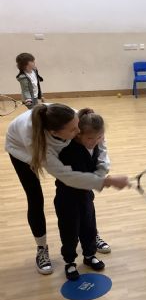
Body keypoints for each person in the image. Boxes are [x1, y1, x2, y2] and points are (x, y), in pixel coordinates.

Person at [5, 103, 130, 275]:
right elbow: (67, 176)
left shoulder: (75, 118)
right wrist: (105, 181)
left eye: (77, 125)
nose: (79, 131)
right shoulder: (36, 143)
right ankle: (42, 249)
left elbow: (99, 141)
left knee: (86, 201)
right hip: (20, 150)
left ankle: (90, 236)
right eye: (73, 130)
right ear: (55, 133)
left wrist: (101, 172)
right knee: (35, 198)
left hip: (54, 136)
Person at [55, 108, 109, 280]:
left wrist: (101, 175)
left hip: (85, 197)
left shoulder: (95, 146)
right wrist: (106, 181)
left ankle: (89, 255)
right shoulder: (70, 151)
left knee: (89, 227)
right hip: (67, 199)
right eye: (90, 138)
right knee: (69, 232)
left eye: (99, 137)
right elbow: (80, 179)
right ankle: (70, 262)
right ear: (79, 135)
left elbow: (97, 169)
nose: (95, 142)